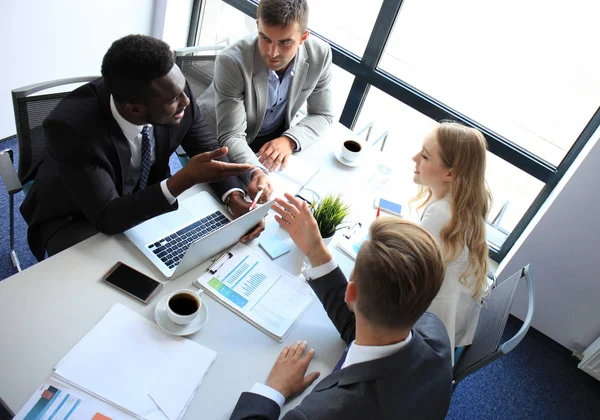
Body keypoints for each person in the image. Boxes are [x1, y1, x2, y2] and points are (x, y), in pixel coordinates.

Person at [20, 35, 261, 261]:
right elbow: (107, 217)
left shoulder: (176, 92)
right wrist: (182, 180)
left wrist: (234, 197)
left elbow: (207, 149)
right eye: (173, 101)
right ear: (134, 109)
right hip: (77, 215)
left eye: (183, 89)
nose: (186, 101)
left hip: (143, 194)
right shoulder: (70, 129)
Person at [229, 193, 452, 420]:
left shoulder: (321, 413)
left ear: (350, 292)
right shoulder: (436, 336)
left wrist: (274, 390)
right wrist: (316, 251)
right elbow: (366, 327)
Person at [197, 0, 334, 201]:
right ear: (257, 27)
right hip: (218, 136)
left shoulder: (319, 55)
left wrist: (289, 140)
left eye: (285, 42)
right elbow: (231, 135)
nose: (272, 53)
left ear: (303, 37)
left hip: (269, 139)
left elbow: (323, 113)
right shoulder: (232, 61)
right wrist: (257, 172)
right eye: (265, 38)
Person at [410, 121, 492, 353]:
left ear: (450, 173)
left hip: (427, 329)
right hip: (452, 320)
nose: (414, 158)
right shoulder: (465, 202)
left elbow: (409, 273)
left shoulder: (441, 215)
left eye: (425, 156)